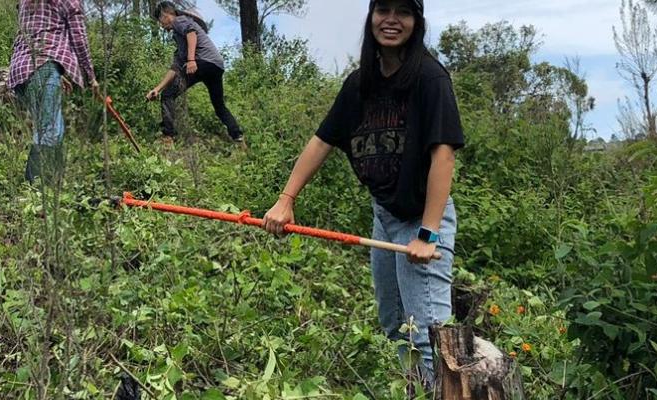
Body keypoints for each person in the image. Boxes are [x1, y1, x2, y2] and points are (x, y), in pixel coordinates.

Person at [261, 0, 464, 387]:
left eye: (403, 12)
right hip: (384, 216)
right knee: (393, 326)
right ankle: (413, 391)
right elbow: (321, 141)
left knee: (429, 338)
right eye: (382, 10)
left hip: (419, 219)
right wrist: (286, 200)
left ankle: (439, 393)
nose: (391, 20)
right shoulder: (360, 84)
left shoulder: (429, 78)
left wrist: (429, 232)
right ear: (371, 18)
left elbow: (444, 154)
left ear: (416, 22)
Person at [8, 0, 100, 184]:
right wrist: (91, 77)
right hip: (43, 67)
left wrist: (58, 73)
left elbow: (34, 33)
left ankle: (52, 184)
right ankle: (36, 186)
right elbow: (79, 38)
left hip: (22, 69)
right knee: (49, 129)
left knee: (52, 128)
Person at [146, 1, 244, 146]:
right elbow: (175, 68)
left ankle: (168, 138)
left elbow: (191, 34)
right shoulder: (180, 40)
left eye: (160, 20)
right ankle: (238, 138)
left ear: (166, 15)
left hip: (202, 63)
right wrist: (157, 89)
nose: (161, 25)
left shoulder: (179, 21)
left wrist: (191, 60)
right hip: (216, 66)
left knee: (168, 95)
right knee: (219, 106)